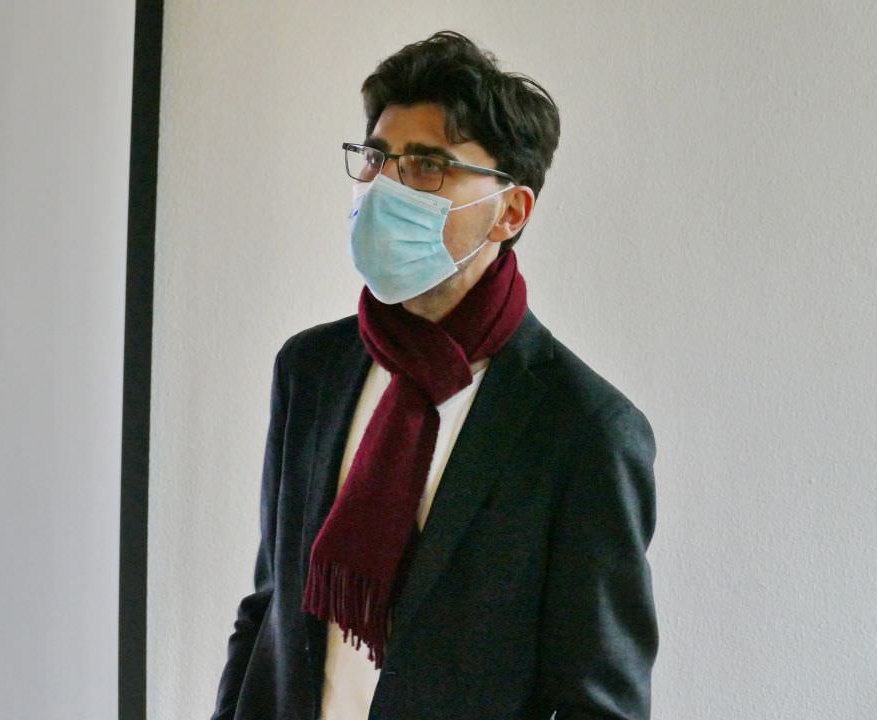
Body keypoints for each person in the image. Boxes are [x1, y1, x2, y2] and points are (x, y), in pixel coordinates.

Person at [211, 30, 658, 720]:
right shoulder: (311, 370)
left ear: (510, 211)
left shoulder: (584, 429)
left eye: (426, 165)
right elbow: (268, 605)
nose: (385, 186)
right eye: (376, 158)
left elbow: (599, 702)